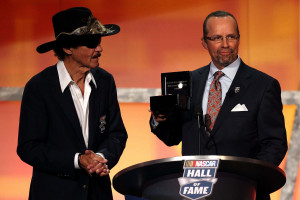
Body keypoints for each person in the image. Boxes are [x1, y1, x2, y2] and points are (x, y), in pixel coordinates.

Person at [150, 10, 287, 198]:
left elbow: (274, 144)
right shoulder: (189, 81)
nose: (225, 44)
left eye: (231, 37)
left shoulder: (263, 85)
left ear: (238, 39)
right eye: (216, 38)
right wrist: (160, 119)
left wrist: (249, 180)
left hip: (243, 191)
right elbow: (172, 137)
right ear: (204, 43)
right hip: (194, 191)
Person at [17, 7, 127, 200]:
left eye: (99, 42)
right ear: (68, 48)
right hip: (55, 194)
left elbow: (116, 133)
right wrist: (77, 161)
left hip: (98, 194)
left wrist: (100, 159)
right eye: (91, 43)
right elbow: (29, 147)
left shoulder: (105, 81)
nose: (99, 49)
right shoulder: (39, 87)